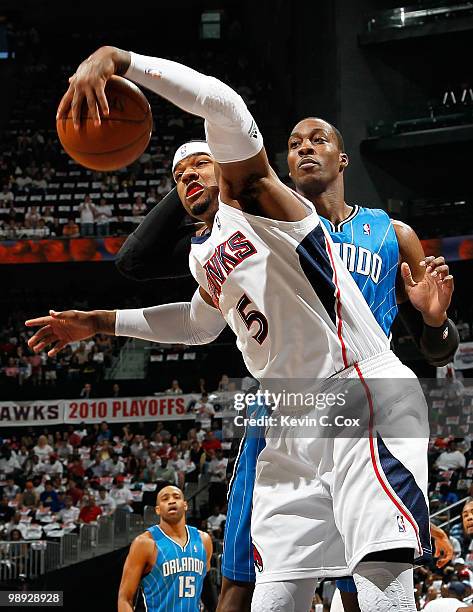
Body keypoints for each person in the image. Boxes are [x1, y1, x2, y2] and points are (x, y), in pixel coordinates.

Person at [32, 46, 458, 612]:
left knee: (379, 578)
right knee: (275, 592)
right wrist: (99, 324)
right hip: (290, 416)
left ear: (226, 164)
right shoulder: (201, 252)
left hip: (358, 387)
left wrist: (120, 60)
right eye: (179, 175)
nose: (189, 178)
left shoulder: (260, 199)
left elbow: (220, 100)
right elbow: (196, 323)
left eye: (200, 165)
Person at [117, 485, 212, 612]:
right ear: (157, 510)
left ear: (185, 505)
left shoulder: (204, 540)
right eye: (165, 499)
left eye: (176, 497)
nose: (171, 501)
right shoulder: (145, 543)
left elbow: (207, 591)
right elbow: (124, 598)